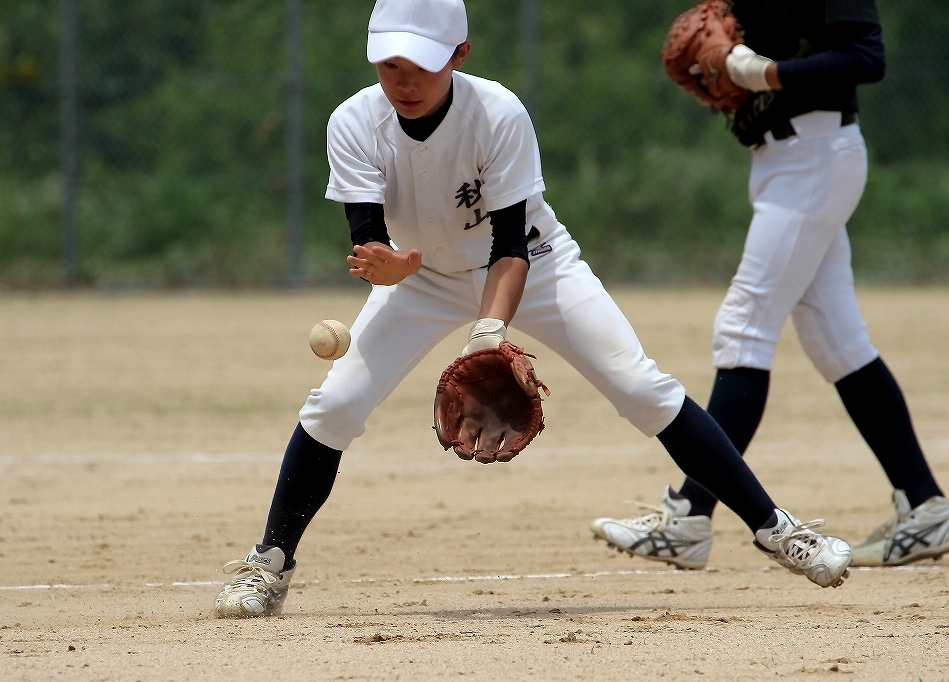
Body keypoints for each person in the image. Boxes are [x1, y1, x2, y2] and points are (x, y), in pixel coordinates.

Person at [213, 0, 855, 618]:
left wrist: (487, 334)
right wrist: (385, 265)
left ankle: (779, 530)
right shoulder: (353, 121)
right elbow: (368, 237)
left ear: (459, 54)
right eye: (389, 66)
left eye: (422, 65)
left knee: (641, 387)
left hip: (536, 267)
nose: (404, 81)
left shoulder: (496, 113)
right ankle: (269, 561)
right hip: (420, 280)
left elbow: (510, 247)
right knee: (335, 406)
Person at [590, 0, 948, 571]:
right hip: (784, 160)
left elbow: (866, 56)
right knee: (838, 342)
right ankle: (925, 504)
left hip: (815, 155)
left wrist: (762, 74)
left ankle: (689, 515)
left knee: (743, 329)